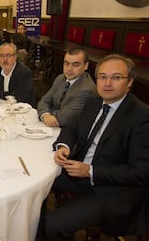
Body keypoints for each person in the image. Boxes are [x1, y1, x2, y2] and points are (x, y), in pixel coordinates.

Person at [46, 54, 149, 240]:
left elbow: (140, 171)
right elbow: (71, 127)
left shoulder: (142, 117)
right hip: (80, 173)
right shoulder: (94, 102)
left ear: (130, 82)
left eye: (116, 77)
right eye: (102, 77)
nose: (107, 83)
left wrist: (91, 171)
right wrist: (64, 146)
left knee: (54, 225)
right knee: (37, 183)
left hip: (112, 190)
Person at [37, 48, 96, 127]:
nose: (69, 69)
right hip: (50, 124)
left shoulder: (86, 90)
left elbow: (63, 118)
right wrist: (45, 114)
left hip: (68, 130)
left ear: (86, 66)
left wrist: (46, 113)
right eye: (66, 63)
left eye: (75, 64)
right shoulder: (61, 78)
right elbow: (44, 101)